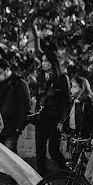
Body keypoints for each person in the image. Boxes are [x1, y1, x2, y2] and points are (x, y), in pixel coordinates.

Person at [0, 59, 30, 185]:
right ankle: (9, 182)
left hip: (12, 127)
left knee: (10, 155)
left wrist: (20, 126)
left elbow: (25, 106)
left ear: (7, 70)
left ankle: (13, 183)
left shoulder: (18, 83)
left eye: (0, 73)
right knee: (3, 157)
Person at [32, 47, 70, 175]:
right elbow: (38, 98)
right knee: (39, 152)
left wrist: (62, 121)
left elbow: (66, 102)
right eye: (42, 61)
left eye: (46, 60)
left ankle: (68, 173)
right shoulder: (40, 78)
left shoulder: (62, 79)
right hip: (41, 119)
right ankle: (41, 180)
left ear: (53, 62)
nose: (43, 63)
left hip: (54, 120)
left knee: (53, 150)